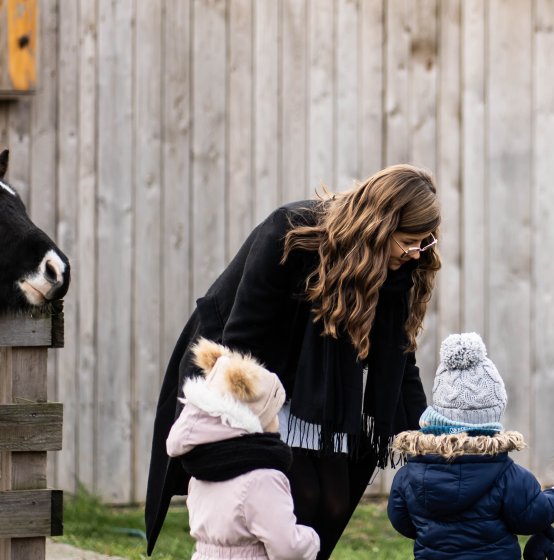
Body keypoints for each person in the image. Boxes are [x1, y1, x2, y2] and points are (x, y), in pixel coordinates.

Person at [145, 164, 441, 559]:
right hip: (257, 383)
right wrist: (253, 430)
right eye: (410, 241)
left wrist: (428, 442)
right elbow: (242, 341)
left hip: (321, 396)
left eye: (425, 242)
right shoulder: (290, 234)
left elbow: (402, 360)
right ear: (379, 226)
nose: (417, 253)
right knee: (301, 497)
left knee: (335, 502)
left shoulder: (397, 272)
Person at [387, 333, 554, 560]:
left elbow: (401, 521)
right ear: (491, 420)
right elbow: (530, 516)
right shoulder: (507, 475)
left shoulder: (408, 476)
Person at [166, 338, 319, 560]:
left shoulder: (201, 472)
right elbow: (287, 547)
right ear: (257, 420)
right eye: (274, 412)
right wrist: (310, 538)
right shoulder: (263, 480)